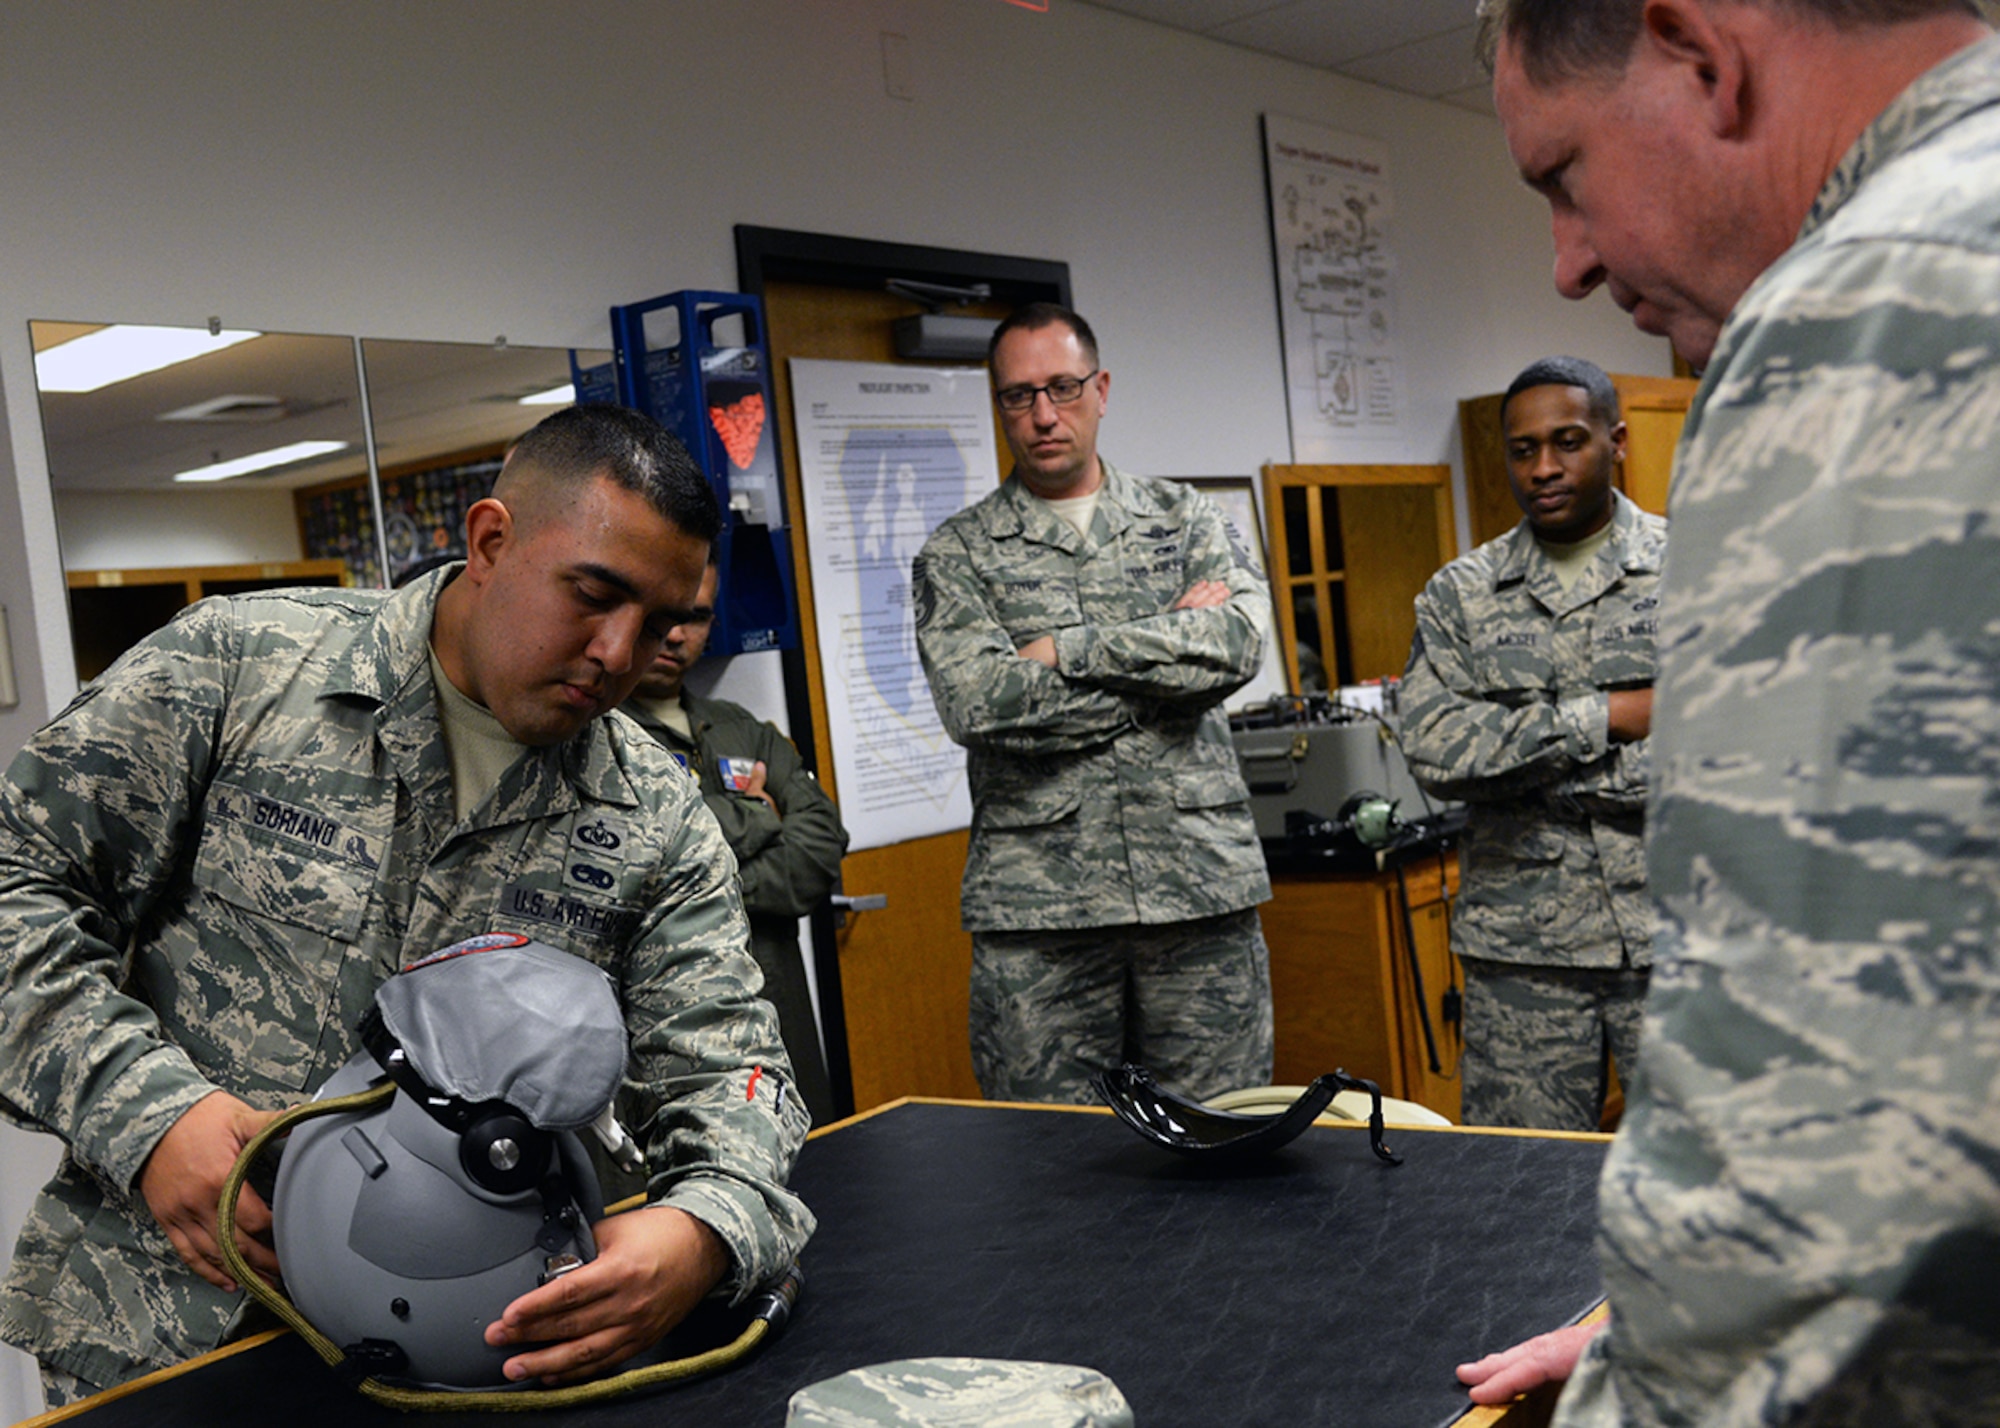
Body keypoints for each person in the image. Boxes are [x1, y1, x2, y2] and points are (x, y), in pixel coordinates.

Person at [0, 404, 813, 1404]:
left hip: (477, 1352)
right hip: (170, 1330)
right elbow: (15, 885)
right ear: (489, 540)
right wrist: (145, 1112)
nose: (619, 652)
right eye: (594, 596)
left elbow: (734, 1069)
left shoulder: (651, 817)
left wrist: (706, 1226)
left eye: (659, 619)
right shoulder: (243, 669)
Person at [1457, 1, 2000, 1422]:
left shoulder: (1873, 306)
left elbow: (1837, 1127)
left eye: (1563, 176)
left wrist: (1672, 1368)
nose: (1569, 262)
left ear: (1700, 49)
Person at [912, 303, 1275, 1105]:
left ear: (1101, 388)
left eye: (1063, 388)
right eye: (1018, 396)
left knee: (1221, 1143)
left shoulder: (1186, 519)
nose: (1043, 415)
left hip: (1197, 892)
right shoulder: (958, 553)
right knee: (1055, 1170)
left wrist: (1071, 651)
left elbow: (1237, 647)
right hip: (1042, 916)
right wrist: (1167, 658)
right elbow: (982, 706)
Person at [1399, 355, 1665, 1131]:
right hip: (1524, 953)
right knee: (1516, 1191)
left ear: (1615, 442)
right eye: (1523, 450)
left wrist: (1525, 771)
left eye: (1568, 441)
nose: (1543, 467)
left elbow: (1738, 743)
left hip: (1679, 939)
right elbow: (1438, 751)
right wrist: (1610, 718)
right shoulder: (1461, 595)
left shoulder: (1697, 571)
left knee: (1711, 1186)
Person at [621, 554, 849, 1126]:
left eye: (694, 618)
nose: (675, 635)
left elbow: (820, 846)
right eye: (662, 615)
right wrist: (759, 815)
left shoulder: (739, 726)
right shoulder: (597, 734)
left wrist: (691, 877)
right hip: (667, 1025)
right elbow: (632, 859)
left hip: (775, 1004)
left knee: (816, 1170)